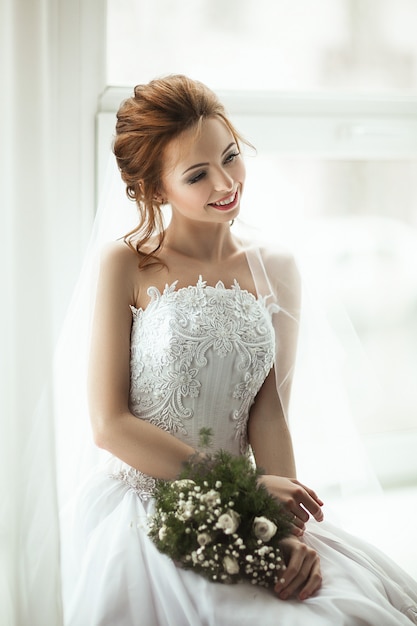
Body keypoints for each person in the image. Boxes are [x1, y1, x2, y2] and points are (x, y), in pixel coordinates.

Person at [61, 74, 417, 625]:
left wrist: (281, 532)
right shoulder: (125, 264)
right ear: (158, 190)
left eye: (230, 157)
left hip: (250, 503)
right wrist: (246, 493)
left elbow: (268, 410)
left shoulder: (277, 266)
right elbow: (109, 425)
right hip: (150, 508)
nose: (226, 182)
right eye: (198, 174)